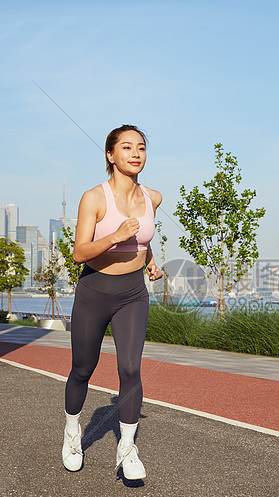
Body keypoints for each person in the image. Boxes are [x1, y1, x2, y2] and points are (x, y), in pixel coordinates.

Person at [62, 124, 163, 479]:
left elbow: (144, 236)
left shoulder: (152, 198)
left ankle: (128, 449)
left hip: (133, 294)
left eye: (141, 148)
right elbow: (79, 253)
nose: (135, 154)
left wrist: (149, 259)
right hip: (95, 291)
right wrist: (115, 236)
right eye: (126, 147)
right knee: (82, 369)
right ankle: (73, 433)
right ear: (110, 155)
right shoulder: (94, 198)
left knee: (131, 369)